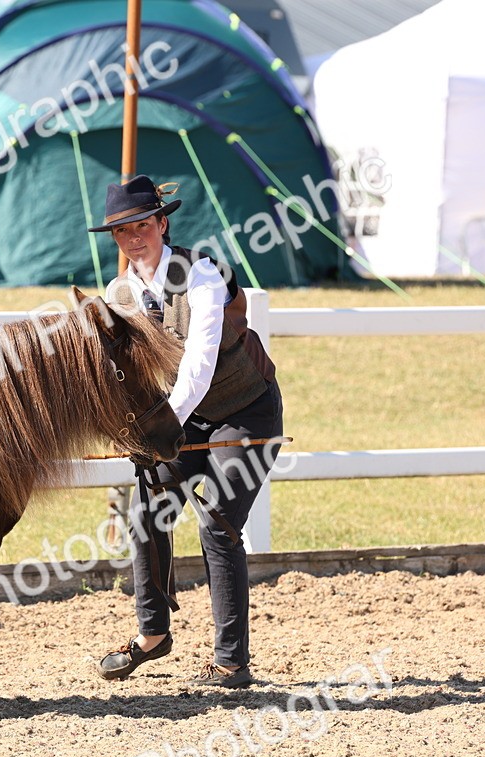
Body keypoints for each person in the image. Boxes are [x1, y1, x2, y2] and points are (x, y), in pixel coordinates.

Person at [89, 175, 283, 689]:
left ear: (162, 223)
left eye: (143, 226)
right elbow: (124, 374)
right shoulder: (120, 293)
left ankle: (231, 662)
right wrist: (125, 428)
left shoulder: (201, 274)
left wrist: (160, 428)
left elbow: (197, 366)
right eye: (122, 231)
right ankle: (153, 636)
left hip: (245, 410)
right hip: (185, 415)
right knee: (148, 511)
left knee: (217, 523)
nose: (134, 239)